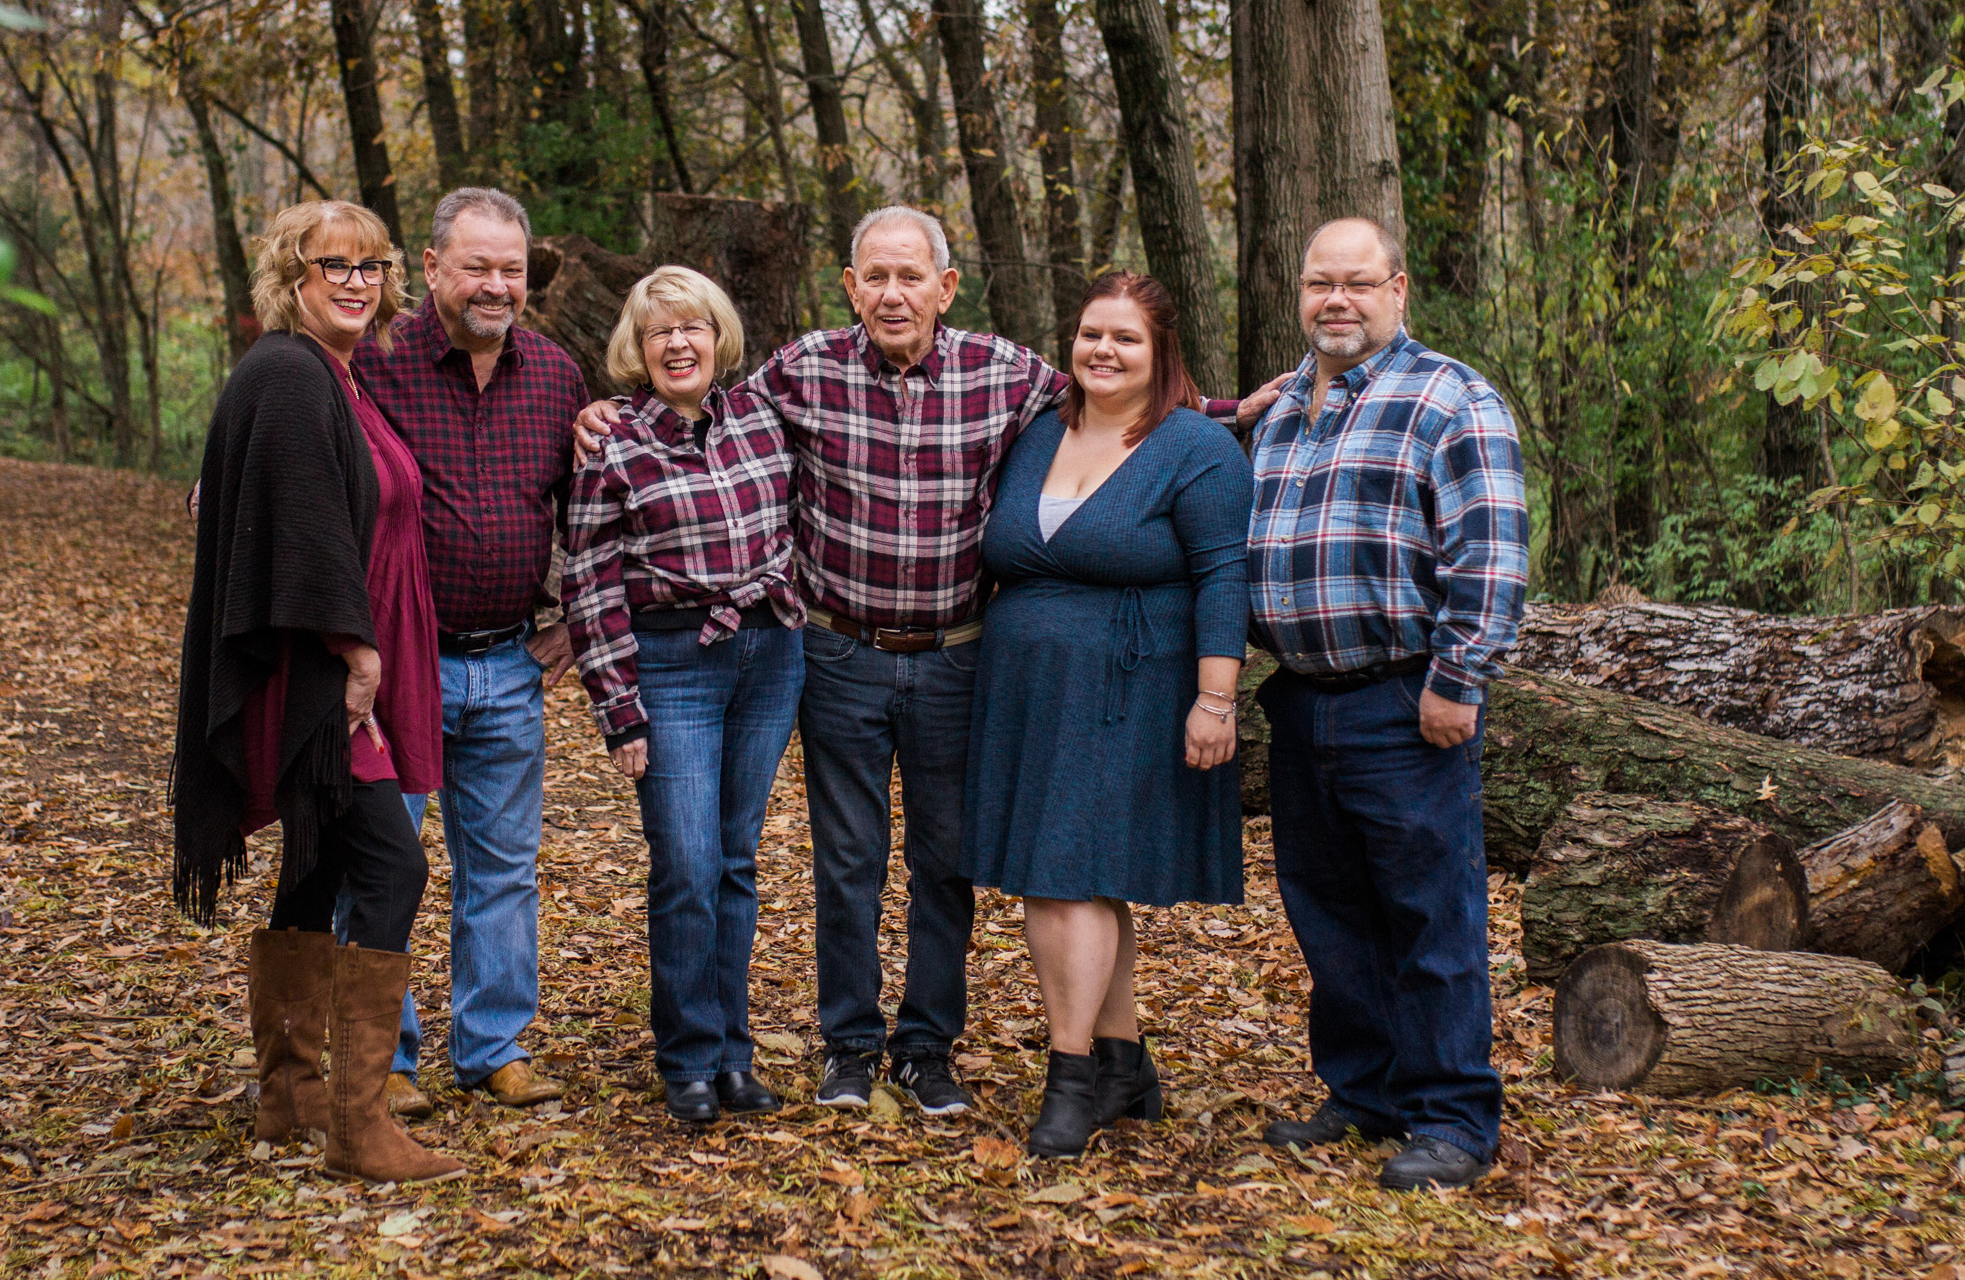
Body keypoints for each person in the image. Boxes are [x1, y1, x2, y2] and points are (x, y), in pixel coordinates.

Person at [577, 207, 1286, 1119]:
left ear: (946, 287)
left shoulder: (1003, 373)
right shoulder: (800, 372)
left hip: (958, 658)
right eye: (875, 276)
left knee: (945, 861)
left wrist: (1226, 414)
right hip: (838, 649)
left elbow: (1112, 401)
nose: (893, 293)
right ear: (850, 286)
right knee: (847, 859)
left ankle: (926, 1047)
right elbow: (695, 402)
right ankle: (849, 1045)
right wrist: (602, 412)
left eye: (911, 276)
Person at [171, 199, 460, 1183]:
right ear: (290, 278)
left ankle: (289, 1100)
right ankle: (358, 1124)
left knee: (319, 864)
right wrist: (355, 650)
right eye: (331, 264)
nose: (354, 281)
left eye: (371, 265)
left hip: (324, 671)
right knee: (392, 867)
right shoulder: (291, 371)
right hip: (321, 678)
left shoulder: (332, 378)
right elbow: (297, 524)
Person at [1247, 217, 1529, 1192]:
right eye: (1319, 282)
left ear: (1396, 289)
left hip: (1405, 699)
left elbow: (1488, 553)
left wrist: (1457, 680)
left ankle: (1451, 1115)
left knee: (1428, 916)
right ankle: (1364, 1092)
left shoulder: (1448, 397)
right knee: (1329, 915)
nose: (1336, 299)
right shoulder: (1282, 407)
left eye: (1356, 283)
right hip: (1300, 700)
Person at [963, 272, 1251, 1158]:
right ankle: (1124, 1061)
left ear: (1160, 350)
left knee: (1065, 874)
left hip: (1131, 690)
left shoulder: (1195, 448)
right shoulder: (1040, 433)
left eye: (1125, 338)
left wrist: (1216, 697)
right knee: (1079, 874)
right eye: (1091, 333)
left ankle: (1071, 1075)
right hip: (1028, 691)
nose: (1103, 351)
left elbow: (1223, 577)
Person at [343, 187, 589, 1116]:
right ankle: (384, 1056)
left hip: (509, 664)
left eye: (512, 269)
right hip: (393, 663)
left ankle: (493, 1044)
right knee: (380, 860)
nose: (496, 285)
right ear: (433, 265)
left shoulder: (558, 376)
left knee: (502, 866)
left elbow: (592, 512)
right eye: (477, 265)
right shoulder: (372, 362)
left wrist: (575, 617)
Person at [560, 267, 806, 1124]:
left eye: (692, 326)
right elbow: (589, 583)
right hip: (673, 665)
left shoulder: (766, 418)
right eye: (659, 330)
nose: (678, 343)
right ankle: (688, 1057)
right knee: (689, 865)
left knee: (736, 861)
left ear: (718, 335)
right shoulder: (613, 444)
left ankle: (734, 1054)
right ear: (638, 346)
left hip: (771, 654)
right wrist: (618, 706)